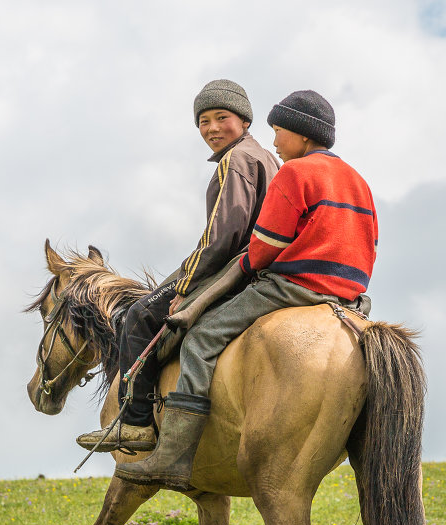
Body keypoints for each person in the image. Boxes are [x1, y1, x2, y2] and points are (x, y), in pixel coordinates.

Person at [117, 89, 377, 489]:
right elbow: (371, 242)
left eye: (279, 131)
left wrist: (239, 268)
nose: (275, 141)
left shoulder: (294, 172)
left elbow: (264, 247)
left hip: (295, 285)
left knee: (202, 337)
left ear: (303, 135)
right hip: (349, 295)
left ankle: (170, 456)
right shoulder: (356, 178)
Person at [76, 79, 279, 453]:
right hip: (259, 265)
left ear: (245, 120)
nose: (212, 128)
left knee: (139, 315)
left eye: (222, 118)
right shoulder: (266, 157)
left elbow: (221, 237)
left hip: (233, 267)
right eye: (203, 121)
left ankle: (136, 423)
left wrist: (186, 284)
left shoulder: (235, 162)